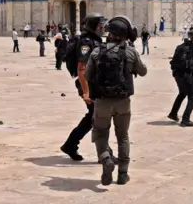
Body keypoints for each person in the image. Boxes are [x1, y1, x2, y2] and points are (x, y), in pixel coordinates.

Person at [86, 15, 147, 186]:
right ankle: (123, 174)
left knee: (100, 132)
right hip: (123, 101)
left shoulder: (97, 51)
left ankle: (106, 159)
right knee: (123, 136)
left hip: (102, 101)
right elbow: (143, 71)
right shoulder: (130, 52)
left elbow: (87, 75)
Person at [61, 13, 114, 162]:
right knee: (98, 117)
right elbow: (82, 68)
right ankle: (104, 153)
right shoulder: (86, 42)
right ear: (93, 26)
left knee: (95, 117)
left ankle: (71, 145)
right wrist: (86, 92)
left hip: (96, 85)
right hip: (89, 86)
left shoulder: (96, 41)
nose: (103, 27)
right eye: (100, 24)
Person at [168, 27, 193, 127]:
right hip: (187, 76)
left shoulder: (181, 46)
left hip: (177, 74)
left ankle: (173, 113)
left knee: (182, 93)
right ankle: (185, 119)